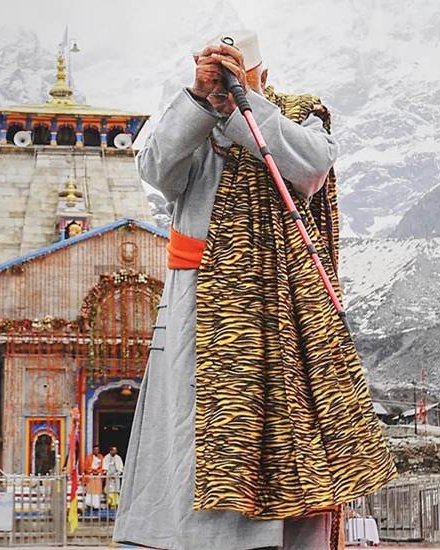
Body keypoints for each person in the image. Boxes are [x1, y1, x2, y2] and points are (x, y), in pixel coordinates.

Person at [112, 28, 397, 550]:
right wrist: (201, 101)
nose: (226, 83)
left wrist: (245, 106)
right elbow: (156, 171)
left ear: (261, 72)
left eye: (237, 74)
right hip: (202, 316)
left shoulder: (298, 112)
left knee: (297, 435)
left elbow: (310, 168)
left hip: (287, 313)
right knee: (202, 435)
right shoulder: (196, 124)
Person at [84, 445, 104, 510]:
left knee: (97, 491)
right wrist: (92, 470)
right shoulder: (89, 457)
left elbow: (102, 466)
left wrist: (97, 471)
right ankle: (89, 504)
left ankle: (96, 506)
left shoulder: (101, 457)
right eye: (95, 450)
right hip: (91, 475)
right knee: (90, 490)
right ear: (93, 450)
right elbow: (86, 467)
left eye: (97, 450)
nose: (96, 451)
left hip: (97, 476)